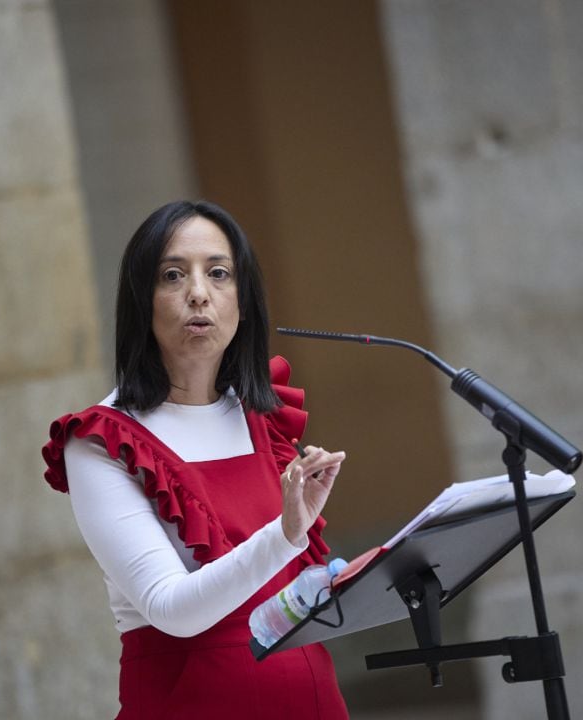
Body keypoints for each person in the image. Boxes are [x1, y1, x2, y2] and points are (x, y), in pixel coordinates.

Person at [41, 200, 349, 719]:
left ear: (243, 302)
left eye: (220, 273)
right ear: (143, 301)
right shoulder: (101, 440)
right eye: (173, 275)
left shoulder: (263, 419)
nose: (199, 293)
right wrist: (286, 534)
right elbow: (172, 611)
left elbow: (286, 598)